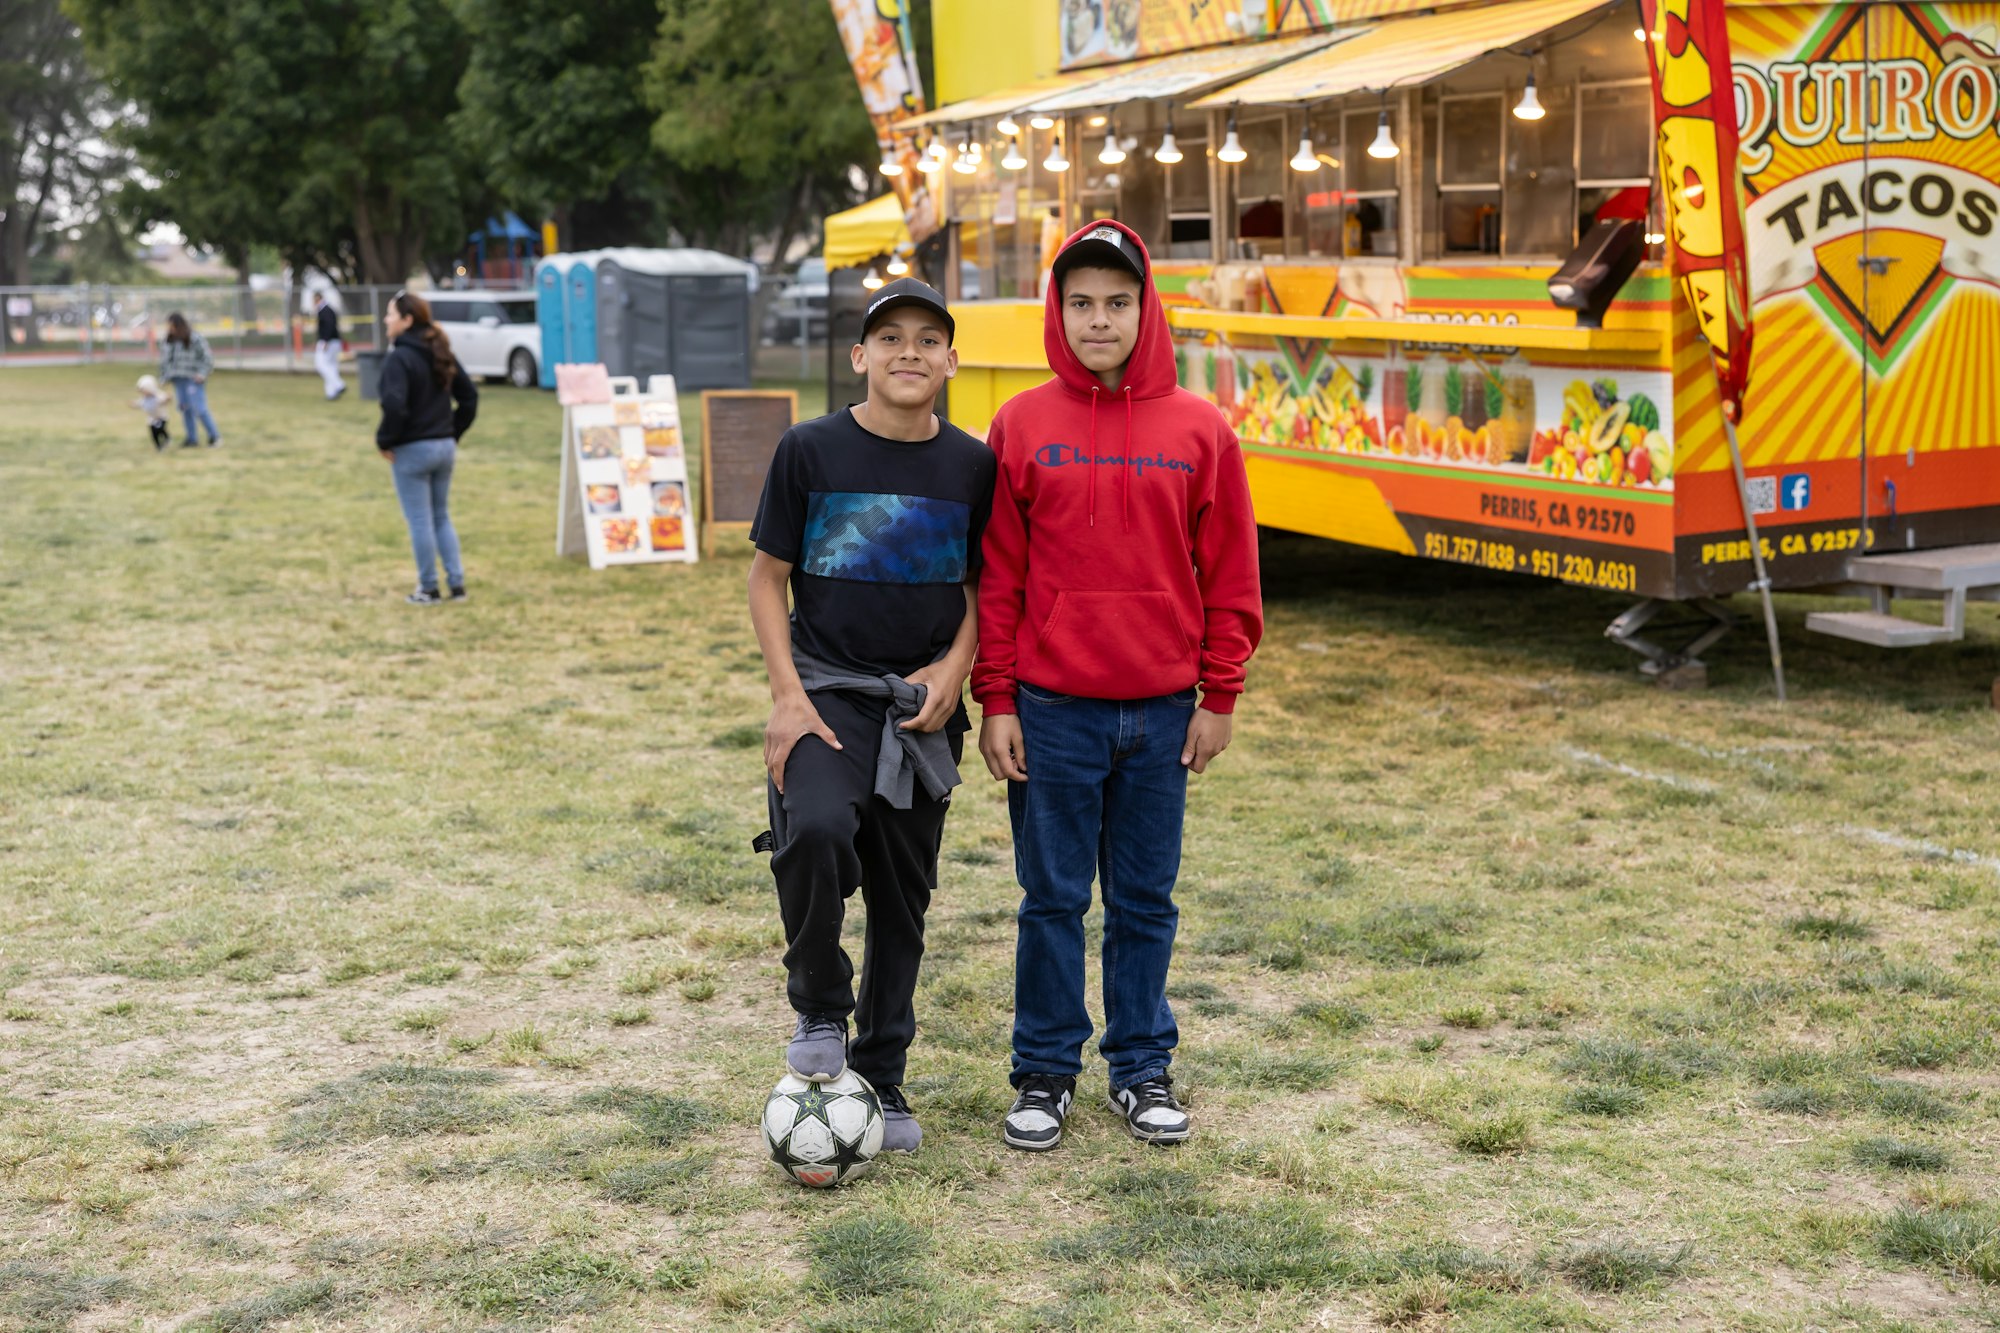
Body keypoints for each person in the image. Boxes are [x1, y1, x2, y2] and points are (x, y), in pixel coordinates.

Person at [973, 221, 1263, 1152]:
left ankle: (1140, 1069)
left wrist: (1220, 696)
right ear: (1057, 312)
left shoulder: (1200, 428)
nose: (1100, 320)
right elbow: (999, 576)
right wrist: (1001, 699)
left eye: (1118, 302)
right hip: (1053, 710)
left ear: (1148, 309)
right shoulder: (1021, 423)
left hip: (1164, 712)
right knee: (1051, 898)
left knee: (1145, 900)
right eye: (1082, 303)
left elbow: (1230, 574)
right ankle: (1045, 1072)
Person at [748, 277, 995, 1155]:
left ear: (951, 362)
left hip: (920, 712)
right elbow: (766, 577)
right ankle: (820, 1003)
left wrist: (953, 672)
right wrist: (788, 696)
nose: (909, 353)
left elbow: (978, 588)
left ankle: (882, 1077)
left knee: (902, 896)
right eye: (890, 338)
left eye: (929, 340)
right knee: (813, 829)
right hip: (826, 695)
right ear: (860, 356)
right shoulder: (809, 450)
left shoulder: (972, 466)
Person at [376, 291, 476, 604]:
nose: (385, 320)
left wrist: (385, 440)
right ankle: (456, 585)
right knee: (440, 517)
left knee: (421, 520)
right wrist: (451, 433)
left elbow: (395, 406)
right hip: (442, 447)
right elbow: (469, 397)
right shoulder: (439, 350)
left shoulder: (400, 358)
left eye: (391, 314)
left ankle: (429, 587)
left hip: (414, 450)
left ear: (407, 320)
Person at [159, 313, 221, 448]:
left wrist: (202, 374)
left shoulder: (195, 338)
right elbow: (165, 361)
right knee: (185, 409)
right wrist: (164, 377)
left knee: (199, 408)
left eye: (171, 325)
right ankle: (192, 439)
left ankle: (214, 437)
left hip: (193, 380)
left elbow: (208, 358)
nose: (169, 328)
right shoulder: (168, 340)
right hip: (178, 380)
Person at [312, 291, 346, 400]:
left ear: (317, 299)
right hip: (334, 341)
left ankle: (338, 384)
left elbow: (329, 326)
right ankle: (331, 392)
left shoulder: (324, 310)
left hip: (328, 341)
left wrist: (325, 340)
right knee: (331, 366)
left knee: (321, 364)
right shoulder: (329, 309)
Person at [132, 374, 170, 451]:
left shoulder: (157, 395)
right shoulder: (145, 398)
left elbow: (164, 399)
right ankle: (159, 447)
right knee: (153, 433)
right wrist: (133, 405)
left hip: (161, 417)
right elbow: (140, 403)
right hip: (151, 419)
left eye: (143, 390)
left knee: (159, 429)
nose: (143, 392)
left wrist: (168, 398)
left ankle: (167, 438)